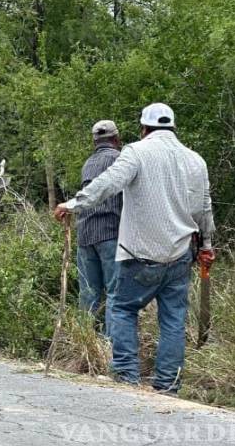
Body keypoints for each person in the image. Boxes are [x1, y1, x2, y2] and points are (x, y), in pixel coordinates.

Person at [54, 103, 216, 394]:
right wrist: (207, 245)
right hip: (181, 253)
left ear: (144, 129)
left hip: (139, 254)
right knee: (174, 319)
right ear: (173, 127)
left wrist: (73, 204)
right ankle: (168, 386)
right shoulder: (196, 160)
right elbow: (203, 208)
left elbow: (108, 184)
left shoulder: (136, 152)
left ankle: (127, 379)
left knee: (122, 308)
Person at [76, 120, 123, 331]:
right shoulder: (120, 159)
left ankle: (84, 341)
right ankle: (111, 342)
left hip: (85, 233)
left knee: (88, 292)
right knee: (115, 292)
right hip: (110, 232)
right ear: (116, 138)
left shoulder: (88, 163)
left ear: (94, 141)